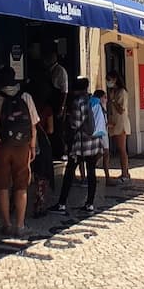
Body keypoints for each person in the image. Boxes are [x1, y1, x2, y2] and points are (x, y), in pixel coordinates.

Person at [0, 65, 39, 237]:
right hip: (22, 146)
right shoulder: (26, 97)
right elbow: (34, 126)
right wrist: (32, 147)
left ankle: (7, 224)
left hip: (1, 147)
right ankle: (20, 225)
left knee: (2, 186)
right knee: (21, 186)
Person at [50, 76, 103, 213]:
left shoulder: (78, 102)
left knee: (69, 172)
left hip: (80, 145)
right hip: (94, 142)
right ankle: (90, 203)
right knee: (92, 172)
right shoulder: (92, 100)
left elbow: (75, 124)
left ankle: (61, 203)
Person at [105, 70, 131, 183]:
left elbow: (121, 110)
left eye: (109, 80)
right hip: (114, 123)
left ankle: (125, 173)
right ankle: (126, 172)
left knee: (122, 150)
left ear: (115, 79)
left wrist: (113, 100)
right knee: (120, 149)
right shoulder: (113, 91)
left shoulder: (122, 92)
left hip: (121, 123)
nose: (108, 82)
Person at [45, 51, 69, 159]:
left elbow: (64, 91)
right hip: (48, 103)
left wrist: (61, 107)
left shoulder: (60, 71)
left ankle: (59, 152)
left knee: (58, 129)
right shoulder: (47, 71)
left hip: (57, 103)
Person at [92, 88, 111, 186]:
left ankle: (107, 177)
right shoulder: (96, 105)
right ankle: (106, 176)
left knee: (105, 153)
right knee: (102, 153)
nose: (106, 99)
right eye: (104, 97)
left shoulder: (102, 107)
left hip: (103, 132)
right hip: (99, 133)